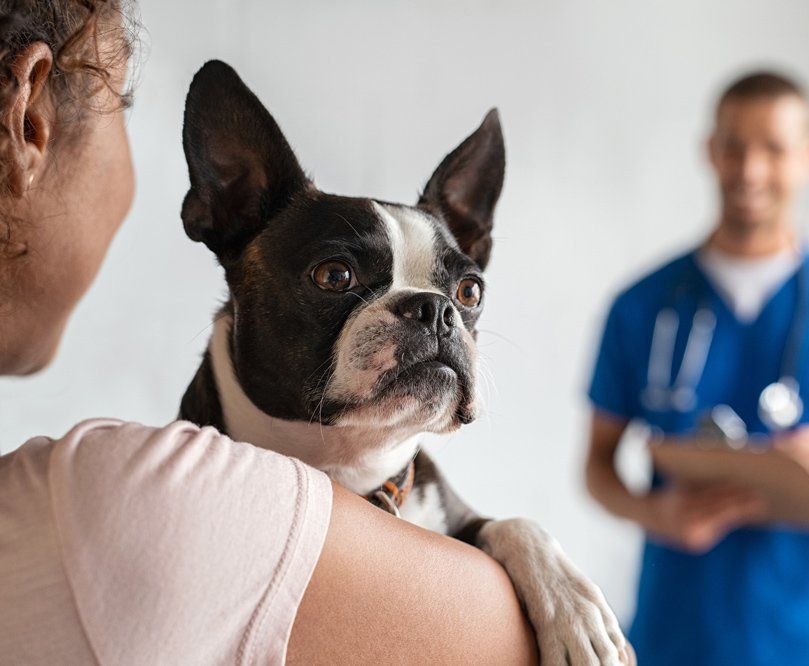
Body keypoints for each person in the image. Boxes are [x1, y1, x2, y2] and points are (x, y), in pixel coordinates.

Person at [0, 2, 537, 663]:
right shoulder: (153, 497)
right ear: (30, 120)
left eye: (462, 292)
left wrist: (516, 539)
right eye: (337, 276)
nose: (436, 315)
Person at [584, 71, 809, 665]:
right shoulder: (643, 306)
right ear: (710, 151)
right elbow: (597, 466)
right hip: (679, 636)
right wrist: (656, 512)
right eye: (734, 146)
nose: (750, 170)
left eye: (773, 149)